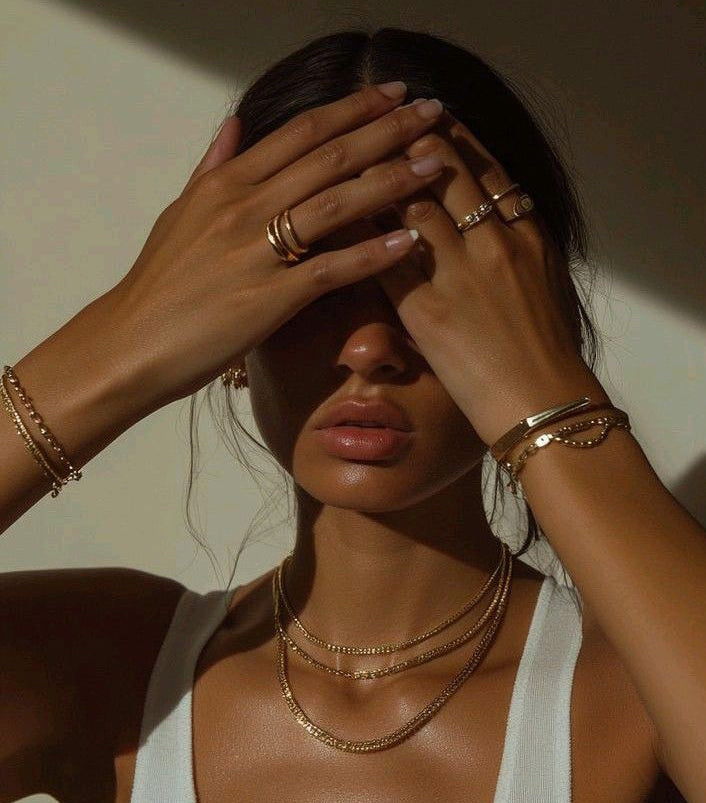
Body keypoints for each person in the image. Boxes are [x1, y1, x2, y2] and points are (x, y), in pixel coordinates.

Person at [0, 27, 699, 803]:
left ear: (530, 306)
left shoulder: (634, 682)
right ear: (228, 334)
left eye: (423, 278)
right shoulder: (108, 665)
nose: (369, 348)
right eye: (317, 281)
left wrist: (544, 393)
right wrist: (120, 345)